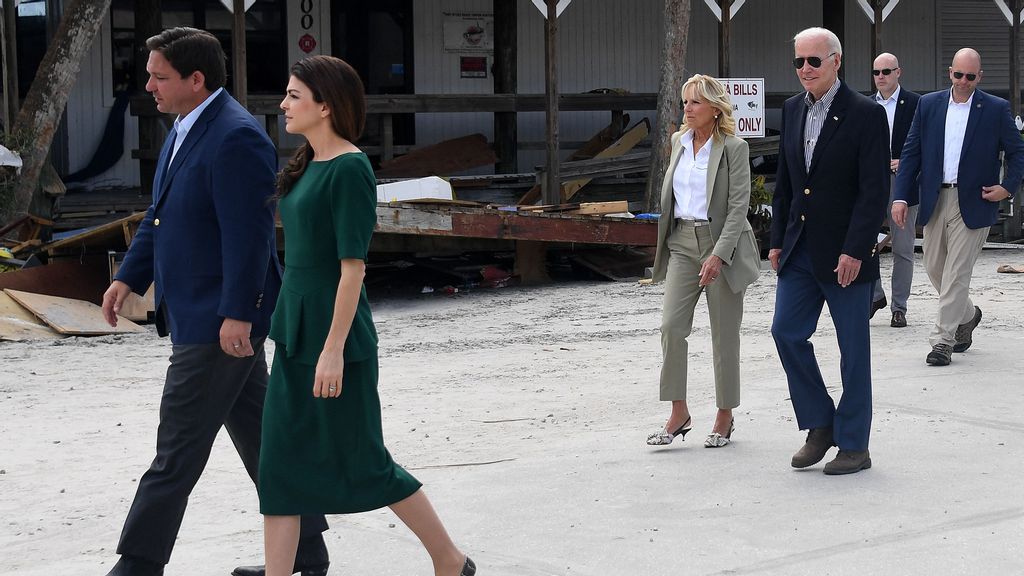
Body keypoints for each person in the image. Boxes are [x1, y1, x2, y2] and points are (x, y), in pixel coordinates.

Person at [99, 27, 328, 576]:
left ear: (195, 79)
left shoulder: (236, 137)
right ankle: (306, 553)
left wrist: (239, 313)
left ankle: (136, 566)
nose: (148, 86)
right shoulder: (184, 127)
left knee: (174, 452)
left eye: (159, 76)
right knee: (264, 440)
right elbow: (160, 218)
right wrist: (127, 278)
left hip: (217, 321)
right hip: (201, 313)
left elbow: (249, 236)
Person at [259, 55, 475, 576]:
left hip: (336, 337)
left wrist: (331, 352)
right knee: (279, 467)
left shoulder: (352, 168)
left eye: (293, 95)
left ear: (326, 104)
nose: (282, 104)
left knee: (365, 461)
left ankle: (449, 559)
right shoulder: (305, 162)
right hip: (295, 326)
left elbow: (352, 271)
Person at [769, 28, 889, 475]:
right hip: (800, 251)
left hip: (846, 254)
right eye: (798, 62)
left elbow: (874, 191)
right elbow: (786, 184)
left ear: (836, 61)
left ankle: (855, 445)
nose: (804, 70)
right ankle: (820, 423)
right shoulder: (791, 109)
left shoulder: (864, 114)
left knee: (853, 351)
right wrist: (777, 239)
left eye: (813, 62)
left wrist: (856, 249)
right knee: (786, 333)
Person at [646, 74, 761, 449]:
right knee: (670, 327)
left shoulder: (733, 148)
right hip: (682, 242)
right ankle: (679, 412)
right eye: (685, 103)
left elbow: (737, 207)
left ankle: (725, 416)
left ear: (715, 109)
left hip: (721, 246)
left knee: (723, 336)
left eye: (695, 102)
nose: (687, 109)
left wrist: (718, 254)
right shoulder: (679, 142)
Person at [893, 48, 1024, 366]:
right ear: (950, 72)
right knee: (935, 267)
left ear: (979, 77)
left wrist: (1006, 188)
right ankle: (968, 314)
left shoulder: (995, 108)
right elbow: (911, 153)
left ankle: (942, 340)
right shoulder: (929, 104)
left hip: (976, 201)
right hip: (935, 198)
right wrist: (900, 196)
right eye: (958, 75)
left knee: (955, 274)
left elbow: (1018, 152)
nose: (963, 81)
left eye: (970, 76)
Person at [868, 52, 921, 328]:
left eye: (886, 71)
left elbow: (926, 142)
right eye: (877, 72)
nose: (881, 77)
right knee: (866, 241)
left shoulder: (915, 104)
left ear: (898, 72)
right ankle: (876, 295)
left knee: (903, 247)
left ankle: (899, 307)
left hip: (903, 181)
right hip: (873, 183)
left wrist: (907, 161)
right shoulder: (866, 105)